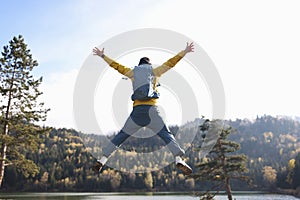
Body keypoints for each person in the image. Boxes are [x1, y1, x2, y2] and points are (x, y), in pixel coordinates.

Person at [92, 42, 194, 175]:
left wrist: (103, 56)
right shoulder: (154, 71)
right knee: (166, 135)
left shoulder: (132, 72)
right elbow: (171, 63)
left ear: (139, 65)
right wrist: (184, 52)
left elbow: (116, 66)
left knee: (121, 136)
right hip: (152, 110)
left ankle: (102, 159)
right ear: (149, 64)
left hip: (137, 112)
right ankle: (178, 159)